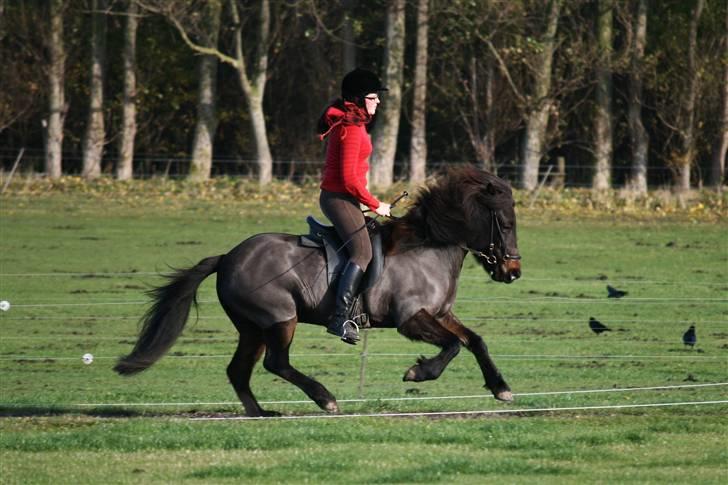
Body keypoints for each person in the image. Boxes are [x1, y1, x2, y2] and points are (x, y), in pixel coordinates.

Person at [317, 68, 391, 345]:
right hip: (338, 199)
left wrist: (368, 201)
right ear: (360, 100)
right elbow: (348, 179)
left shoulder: (355, 126)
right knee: (362, 252)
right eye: (373, 97)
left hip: (346, 198)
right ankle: (340, 318)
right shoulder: (351, 129)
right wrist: (375, 204)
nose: (378, 102)